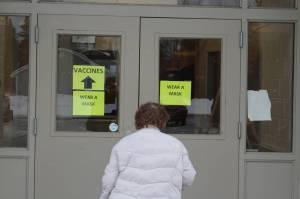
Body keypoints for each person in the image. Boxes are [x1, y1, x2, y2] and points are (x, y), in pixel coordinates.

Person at [99, 102, 196, 199]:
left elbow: (109, 179)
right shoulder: (176, 145)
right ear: (163, 121)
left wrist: (104, 196)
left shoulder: (123, 144)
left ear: (137, 120)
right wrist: (172, 188)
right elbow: (189, 177)